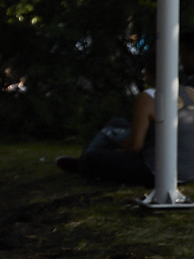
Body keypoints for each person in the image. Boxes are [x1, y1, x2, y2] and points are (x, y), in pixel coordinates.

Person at [57, 48, 194, 186]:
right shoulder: (190, 92)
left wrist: (121, 149)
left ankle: (83, 162)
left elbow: (135, 146)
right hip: (190, 172)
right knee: (119, 124)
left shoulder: (150, 97)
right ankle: (84, 162)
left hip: (158, 173)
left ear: (147, 70)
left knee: (95, 155)